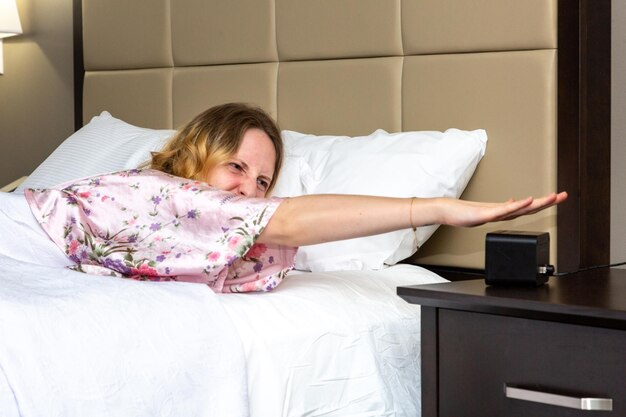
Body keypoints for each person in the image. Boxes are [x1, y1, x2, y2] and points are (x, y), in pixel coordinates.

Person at [23, 103, 568, 293]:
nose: (247, 191)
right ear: (194, 151)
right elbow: (285, 223)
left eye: (262, 183)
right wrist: (439, 208)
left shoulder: (181, 227)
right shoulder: (166, 194)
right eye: (235, 166)